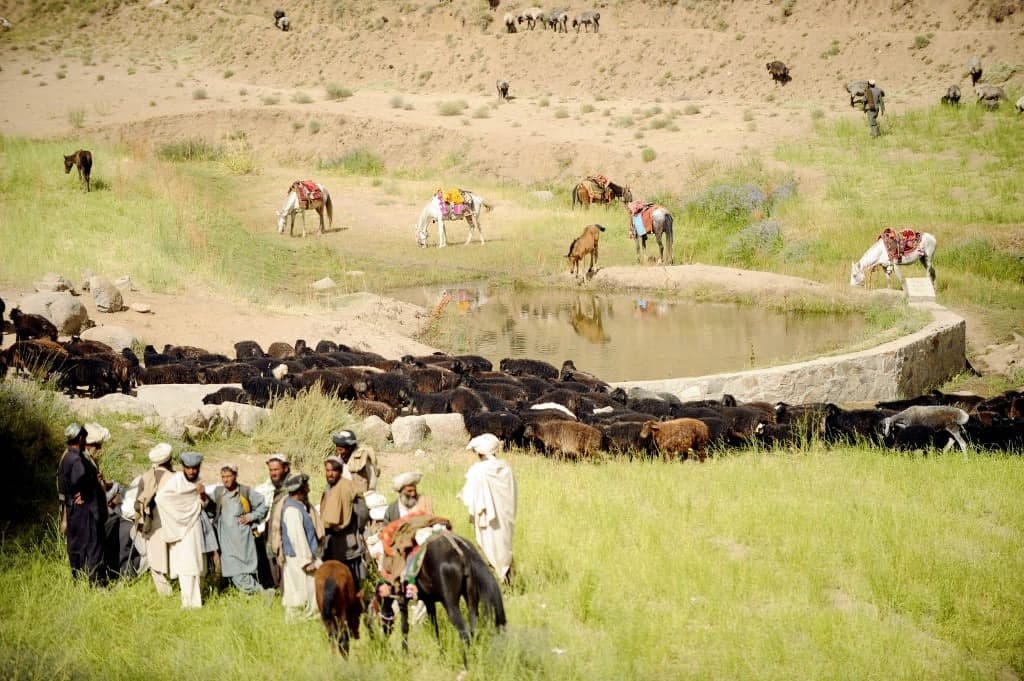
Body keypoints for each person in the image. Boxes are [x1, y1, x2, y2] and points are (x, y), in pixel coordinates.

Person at [155, 451, 211, 609]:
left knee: (198, 566)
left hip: (195, 528)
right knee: (186, 567)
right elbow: (161, 499)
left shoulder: (199, 482)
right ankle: (188, 603)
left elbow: (202, 503)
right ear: (183, 467)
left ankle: (198, 602)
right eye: (188, 468)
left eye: (195, 468)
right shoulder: (175, 481)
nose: (192, 471)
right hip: (180, 530)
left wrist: (203, 495)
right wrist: (179, 517)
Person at [460, 433, 518, 583]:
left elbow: (467, 496)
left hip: (488, 517)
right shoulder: (506, 468)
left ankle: (495, 579)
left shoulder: (478, 470)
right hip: (505, 515)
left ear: (480, 453)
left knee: (489, 546)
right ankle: (507, 577)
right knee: (504, 545)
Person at [56, 423, 108, 586]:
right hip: (87, 511)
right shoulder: (77, 459)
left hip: (75, 510)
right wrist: (87, 489)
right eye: (94, 444)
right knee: (92, 546)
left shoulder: (68, 456)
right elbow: (78, 483)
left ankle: (78, 581)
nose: (97, 448)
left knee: (77, 545)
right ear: (81, 439)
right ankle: (95, 583)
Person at [208, 464, 267, 594]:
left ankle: (261, 593)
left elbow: (263, 506)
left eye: (228, 476)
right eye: (223, 477)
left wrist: (251, 516)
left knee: (243, 569)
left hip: (242, 540)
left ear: (235, 476)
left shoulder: (245, 491)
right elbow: (210, 511)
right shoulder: (218, 492)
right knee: (234, 570)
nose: (226, 480)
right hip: (225, 541)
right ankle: (257, 593)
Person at [319, 456, 369, 590]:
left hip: (348, 541)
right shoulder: (328, 488)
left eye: (334, 470)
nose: (330, 474)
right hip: (331, 541)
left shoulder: (348, 487)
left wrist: (354, 528)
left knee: (351, 579)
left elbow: (362, 514)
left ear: (340, 471)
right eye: (327, 470)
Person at [280, 473, 321, 621]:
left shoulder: (299, 507)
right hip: (299, 559)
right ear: (300, 490)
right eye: (306, 487)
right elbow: (297, 538)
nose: (309, 490)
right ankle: (300, 620)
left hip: (301, 557)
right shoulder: (292, 511)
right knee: (300, 591)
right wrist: (306, 561)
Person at [135, 443, 175, 596]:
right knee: (172, 559)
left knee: (156, 562)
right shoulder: (175, 478)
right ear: (169, 460)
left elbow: (136, 505)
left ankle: (165, 594)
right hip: (172, 525)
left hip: (152, 526)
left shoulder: (145, 477)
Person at [257, 453, 291, 590]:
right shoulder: (274, 487)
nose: (273, 473)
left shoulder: (292, 487)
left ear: (286, 468)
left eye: (276, 470)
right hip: (273, 534)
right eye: (271, 470)